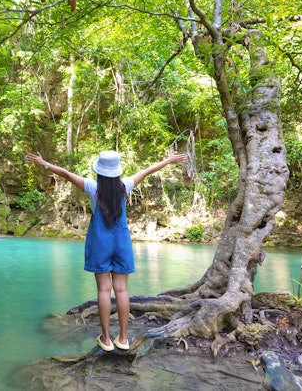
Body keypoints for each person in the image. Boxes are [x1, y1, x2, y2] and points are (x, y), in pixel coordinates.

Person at [26, 150, 187, 352]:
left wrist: (44, 163)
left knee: (104, 289)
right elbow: (147, 171)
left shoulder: (93, 187)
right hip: (121, 242)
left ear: (100, 171)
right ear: (117, 171)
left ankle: (106, 339)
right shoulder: (125, 185)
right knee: (121, 290)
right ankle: (124, 338)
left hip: (100, 241)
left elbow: (66, 174)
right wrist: (168, 160)